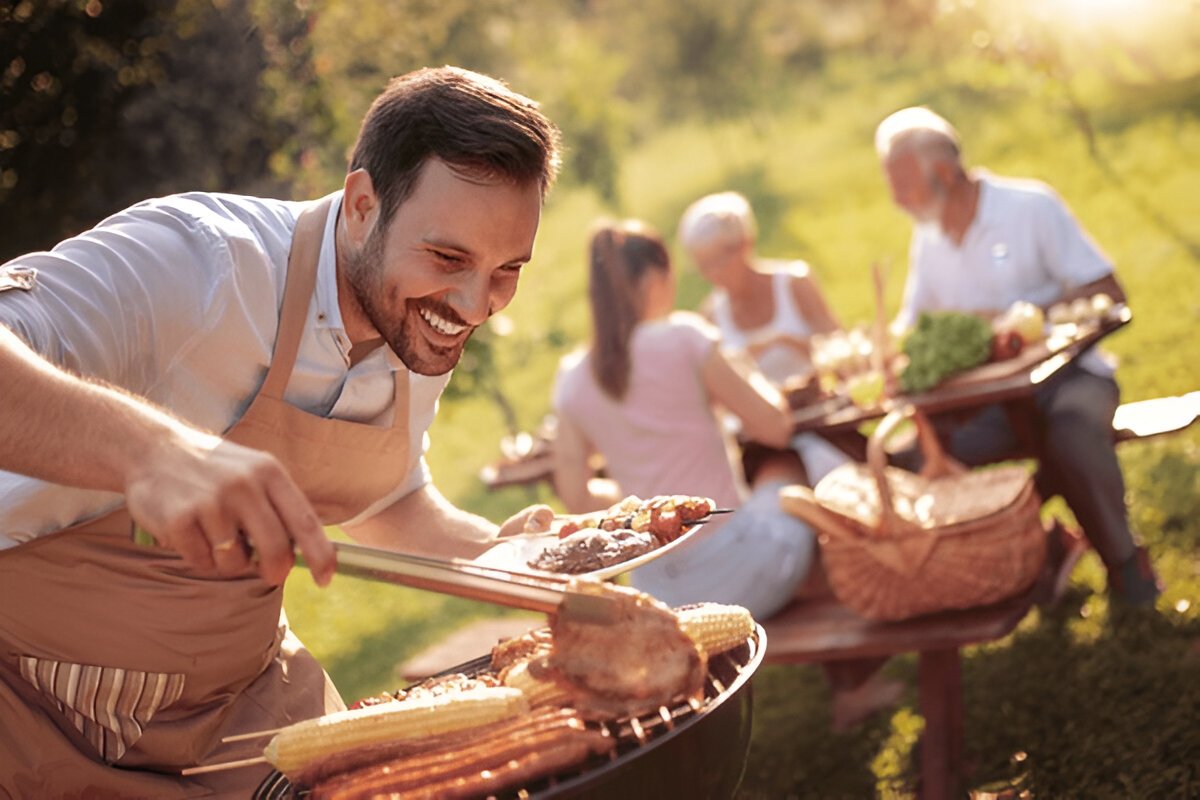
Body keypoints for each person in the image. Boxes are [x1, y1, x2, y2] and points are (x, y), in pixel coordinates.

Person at [0, 65, 562, 795]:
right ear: (363, 204)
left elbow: (382, 498)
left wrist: (494, 553)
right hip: (28, 708)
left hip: (242, 710)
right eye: (448, 258)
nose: (475, 304)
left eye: (505, 271)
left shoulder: (418, 316)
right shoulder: (195, 262)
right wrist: (155, 451)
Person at [874, 105, 1161, 607]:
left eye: (902, 184)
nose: (895, 199)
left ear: (944, 172)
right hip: (989, 401)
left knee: (1070, 432)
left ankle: (1123, 562)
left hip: (1072, 378)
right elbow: (910, 327)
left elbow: (1108, 290)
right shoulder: (929, 237)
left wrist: (1015, 318)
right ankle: (1027, 554)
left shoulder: (1030, 207)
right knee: (913, 460)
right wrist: (885, 352)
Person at [551, 218, 818, 620]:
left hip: (661, 594)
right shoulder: (684, 338)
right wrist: (744, 364)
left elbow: (575, 495)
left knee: (766, 489)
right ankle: (851, 661)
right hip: (741, 573)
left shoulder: (573, 379)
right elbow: (775, 428)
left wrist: (638, 492)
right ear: (653, 280)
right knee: (787, 466)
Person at [677, 191, 850, 487]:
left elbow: (844, 355)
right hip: (764, 446)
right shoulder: (710, 316)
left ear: (745, 244)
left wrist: (787, 342)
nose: (712, 275)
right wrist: (742, 364)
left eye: (719, 262)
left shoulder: (794, 283)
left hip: (826, 424)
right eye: (704, 267)